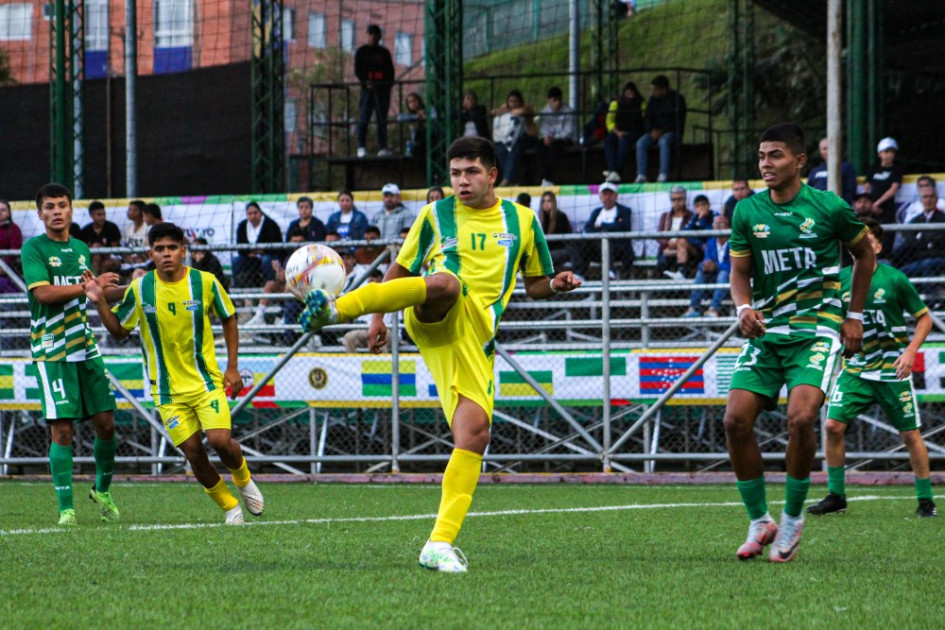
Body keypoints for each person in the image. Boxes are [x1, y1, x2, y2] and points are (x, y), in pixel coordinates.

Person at [296, 136, 581, 572]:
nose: (461, 182)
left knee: (475, 434)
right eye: (454, 173)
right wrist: (377, 319)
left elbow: (535, 283)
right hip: (436, 312)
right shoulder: (435, 214)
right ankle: (336, 309)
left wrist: (555, 285)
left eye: (470, 172)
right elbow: (403, 269)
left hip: (478, 336)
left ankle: (438, 543)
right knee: (446, 281)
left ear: (492, 174)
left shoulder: (523, 221)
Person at [724, 123, 874, 563]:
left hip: (817, 329)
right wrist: (742, 308)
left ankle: (791, 519)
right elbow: (739, 273)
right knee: (734, 420)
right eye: (760, 156)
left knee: (801, 416)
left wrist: (855, 316)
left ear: (800, 161)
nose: (765, 165)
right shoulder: (747, 211)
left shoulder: (830, 208)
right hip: (769, 331)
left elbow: (866, 255)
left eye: (775, 156)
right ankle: (759, 521)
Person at [85, 222, 264, 524]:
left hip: (205, 382)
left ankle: (244, 479)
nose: (166, 254)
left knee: (220, 441)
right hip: (166, 390)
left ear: (183, 250)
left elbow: (229, 318)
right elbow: (117, 331)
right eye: (159, 249)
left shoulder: (205, 282)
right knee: (194, 452)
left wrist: (232, 366)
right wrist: (100, 301)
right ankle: (229, 506)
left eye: (171, 248)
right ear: (150, 254)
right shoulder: (142, 288)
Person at [808, 219, 936, 519]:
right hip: (855, 369)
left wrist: (909, 352)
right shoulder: (839, 280)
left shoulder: (894, 279)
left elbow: (925, 319)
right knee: (832, 426)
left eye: (867, 240)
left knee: (910, 435)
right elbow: (826, 320)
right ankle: (836, 494)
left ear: (877, 246)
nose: (861, 245)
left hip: (893, 371)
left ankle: (926, 500)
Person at [23, 183, 124, 526]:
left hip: (86, 347)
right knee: (62, 430)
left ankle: (102, 490)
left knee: (107, 424)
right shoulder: (33, 248)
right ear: (40, 213)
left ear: (70, 210)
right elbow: (45, 293)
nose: (56, 211)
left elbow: (95, 294)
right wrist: (86, 287)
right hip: (52, 352)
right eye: (49, 206)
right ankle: (66, 508)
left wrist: (136, 287)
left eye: (62, 205)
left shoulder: (81, 248)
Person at [572, 182, 634, 280]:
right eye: (605, 194)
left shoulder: (624, 211)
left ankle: (610, 270)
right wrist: (609, 227)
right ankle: (579, 274)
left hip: (617, 249)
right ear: (600, 197)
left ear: (616, 196)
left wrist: (600, 227)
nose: (607, 197)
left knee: (606, 239)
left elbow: (623, 227)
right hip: (596, 250)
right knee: (578, 239)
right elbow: (588, 229)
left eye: (610, 194)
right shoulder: (597, 212)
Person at [635, 75, 686, 183]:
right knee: (641, 143)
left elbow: (678, 120)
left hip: (672, 132)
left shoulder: (677, 99)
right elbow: (648, 118)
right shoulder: (652, 100)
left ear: (663, 89)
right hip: (654, 131)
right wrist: (652, 130)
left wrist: (663, 131)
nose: (653, 92)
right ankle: (641, 174)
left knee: (664, 141)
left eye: (655, 89)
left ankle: (663, 174)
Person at [354, 24, 394, 158]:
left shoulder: (384, 52)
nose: (373, 37)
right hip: (367, 91)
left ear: (379, 36)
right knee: (364, 117)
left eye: (375, 34)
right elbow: (358, 70)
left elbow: (390, 72)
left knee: (381, 119)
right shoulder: (361, 51)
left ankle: (383, 147)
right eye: (370, 34)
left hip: (382, 91)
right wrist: (365, 82)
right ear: (367, 35)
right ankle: (361, 147)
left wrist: (386, 85)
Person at [894, 182, 945, 277]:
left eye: (932, 197)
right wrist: (928, 241)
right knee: (899, 273)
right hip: (918, 259)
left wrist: (920, 238)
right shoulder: (916, 220)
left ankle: (930, 292)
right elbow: (910, 241)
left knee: (927, 264)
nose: (928, 200)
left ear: (937, 199)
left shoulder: (943, 218)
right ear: (921, 200)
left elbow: (941, 241)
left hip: (939, 258)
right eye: (925, 197)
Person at [683, 214, 731, 317]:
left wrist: (716, 266)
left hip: (731, 284)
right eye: (715, 224)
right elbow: (706, 260)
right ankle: (693, 308)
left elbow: (734, 266)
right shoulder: (711, 242)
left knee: (723, 274)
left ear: (728, 227)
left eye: (721, 223)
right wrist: (704, 266)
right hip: (712, 283)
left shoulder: (734, 242)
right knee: (701, 272)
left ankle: (713, 309)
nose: (717, 226)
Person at [864, 137, 904, 253]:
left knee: (887, 238)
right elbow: (867, 187)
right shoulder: (873, 169)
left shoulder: (896, 169)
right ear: (880, 153)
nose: (889, 155)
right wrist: (870, 204)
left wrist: (877, 203)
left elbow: (894, 188)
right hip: (872, 211)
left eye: (892, 152)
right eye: (886, 152)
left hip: (887, 210)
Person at [233, 201, 283, 289]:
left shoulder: (271, 225)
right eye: (250, 213)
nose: (253, 216)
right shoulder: (242, 226)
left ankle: (269, 284)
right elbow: (240, 247)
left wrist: (262, 251)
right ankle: (237, 288)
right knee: (236, 261)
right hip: (249, 256)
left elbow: (277, 246)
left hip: (268, 256)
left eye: (255, 213)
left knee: (266, 259)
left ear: (260, 212)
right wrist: (250, 253)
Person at [602, 82, 645, 183]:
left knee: (623, 142)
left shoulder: (641, 104)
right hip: (618, 131)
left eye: (632, 92)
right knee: (608, 141)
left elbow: (644, 119)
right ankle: (614, 171)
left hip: (634, 132)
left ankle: (614, 171)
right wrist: (617, 132)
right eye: (628, 92)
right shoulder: (616, 104)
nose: (630, 95)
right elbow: (609, 121)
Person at [492, 90, 536, 187]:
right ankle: (511, 180)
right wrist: (507, 110)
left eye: (515, 101)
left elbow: (525, 110)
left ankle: (507, 179)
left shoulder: (525, 108)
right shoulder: (505, 110)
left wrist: (510, 110)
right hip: (506, 140)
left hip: (523, 139)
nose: (513, 103)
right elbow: (494, 112)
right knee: (501, 151)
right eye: (511, 101)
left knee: (514, 150)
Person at [536, 86, 577, 187]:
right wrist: (546, 137)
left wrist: (554, 138)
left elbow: (568, 132)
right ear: (549, 100)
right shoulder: (544, 112)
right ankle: (543, 176)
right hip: (550, 139)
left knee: (555, 147)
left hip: (565, 139)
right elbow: (544, 128)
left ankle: (548, 178)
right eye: (554, 100)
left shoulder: (568, 111)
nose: (557, 103)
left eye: (559, 100)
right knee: (539, 145)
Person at [671, 193, 715, 279]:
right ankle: (682, 272)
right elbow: (684, 232)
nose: (701, 208)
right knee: (681, 240)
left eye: (703, 205)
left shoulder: (715, 215)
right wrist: (700, 244)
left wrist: (702, 220)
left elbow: (713, 234)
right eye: (698, 206)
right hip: (699, 248)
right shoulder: (694, 217)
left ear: (709, 205)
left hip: (712, 250)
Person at [0, 198, 25, 351]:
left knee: (7, 318)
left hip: (8, 274)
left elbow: (14, 253)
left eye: (3, 210)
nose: (0, 213)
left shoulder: (13, 229)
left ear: (9, 212)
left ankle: (7, 352)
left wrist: (3, 266)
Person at [655, 186, 693, 277]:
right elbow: (659, 235)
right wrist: (667, 243)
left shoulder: (691, 216)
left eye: (679, 199)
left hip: (684, 249)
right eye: (673, 200)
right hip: (667, 248)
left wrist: (676, 246)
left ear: (684, 200)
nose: (676, 202)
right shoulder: (665, 216)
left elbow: (692, 237)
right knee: (662, 263)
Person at [807, 137, 857, 205]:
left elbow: (850, 190)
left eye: (829, 148)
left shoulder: (846, 167)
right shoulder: (815, 170)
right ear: (820, 151)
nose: (828, 151)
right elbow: (808, 190)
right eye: (824, 149)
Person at [79, 201, 122, 275]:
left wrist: (100, 248)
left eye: (104, 214)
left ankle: (98, 283)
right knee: (95, 259)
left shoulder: (112, 227)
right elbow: (83, 250)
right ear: (91, 215)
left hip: (112, 257)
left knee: (104, 263)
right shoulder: (85, 230)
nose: (102, 217)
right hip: (92, 258)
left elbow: (115, 250)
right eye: (99, 215)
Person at [538, 191, 574, 272]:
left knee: (544, 257)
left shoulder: (560, 217)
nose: (546, 204)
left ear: (553, 203)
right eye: (543, 201)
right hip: (549, 250)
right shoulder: (541, 219)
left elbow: (559, 242)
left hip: (563, 250)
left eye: (549, 201)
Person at [397, 92, 429, 158]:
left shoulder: (427, 110)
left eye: (414, 100)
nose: (412, 104)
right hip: (416, 142)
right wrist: (417, 116)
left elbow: (434, 116)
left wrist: (425, 116)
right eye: (410, 102)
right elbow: (399, 118)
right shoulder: (411, 115)